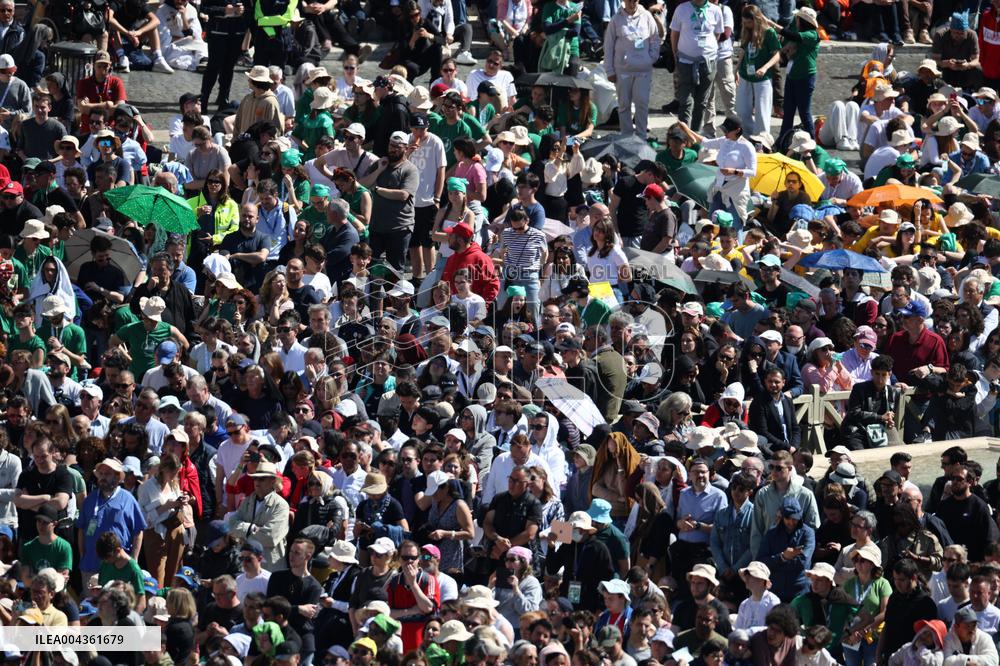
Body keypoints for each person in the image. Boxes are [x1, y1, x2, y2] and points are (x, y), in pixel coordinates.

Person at [603, 0, 660, 139]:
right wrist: (609, 70)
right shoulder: (616, 19)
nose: (632, 3)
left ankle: (641, 137)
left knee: (642, 103)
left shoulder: (647, 16)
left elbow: (655, 38)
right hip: (623, 70)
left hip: (643, 70)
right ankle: (626, 136)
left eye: (634, 0)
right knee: (624, 105)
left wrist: (651, 58)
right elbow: (608, 46)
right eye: (629, 0)